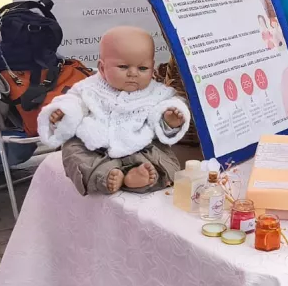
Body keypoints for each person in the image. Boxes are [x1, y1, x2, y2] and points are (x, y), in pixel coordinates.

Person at [37, 26, 190, 196]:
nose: (133, 73)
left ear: (152, 67)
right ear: (102, 68)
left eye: (142, 68)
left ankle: (136, 178)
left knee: (163, 158)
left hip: (139, 147)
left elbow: (166, 109)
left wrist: (169, 120)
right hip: (95, 147)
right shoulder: (89, 87)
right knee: (72, 150)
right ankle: (105, 176)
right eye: (124, 67)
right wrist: (64, 112)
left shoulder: (157, 93)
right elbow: (74, 102)